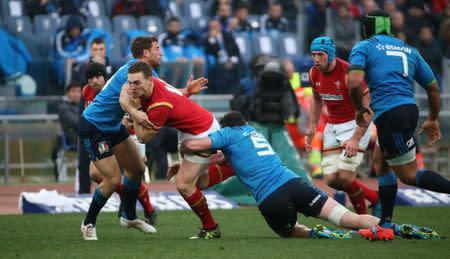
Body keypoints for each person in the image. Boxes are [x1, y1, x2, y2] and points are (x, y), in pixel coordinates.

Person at [178, 111, 437, 240]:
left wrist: (183, 150)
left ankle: (319, 234)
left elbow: (196, 146)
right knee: (349, 218)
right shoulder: (253, 132)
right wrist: (214, 157)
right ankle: (390, 227)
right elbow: (225, 158)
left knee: (288, 232)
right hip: (295, 184)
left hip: (272, 199)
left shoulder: (228, 134)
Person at [79, 36, 206, 240]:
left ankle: (129, 216)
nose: (161, 52)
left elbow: (169, 95)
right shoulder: (132, 72)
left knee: (137, 169)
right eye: (157, 48)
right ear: (146, 53)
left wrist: (187, 91)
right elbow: (123, 98)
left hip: (112, 126)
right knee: (112, 179)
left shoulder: (149, 75)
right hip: (94, 127)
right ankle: (88, 223)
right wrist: (134, 113)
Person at [347, 9, 450, 240]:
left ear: (366, 29)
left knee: (409, 175)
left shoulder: (364, 47)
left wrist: (358, 107)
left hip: (391, 115)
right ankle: (385, 224)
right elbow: (433, 87)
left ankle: (385, 224)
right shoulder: (409, 49)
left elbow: (354, 82)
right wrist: (433, 118)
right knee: (380, 163)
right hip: (407, 110)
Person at [119, 61, 221, 240]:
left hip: (201, 133)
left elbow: (142, 137)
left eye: (137, 83)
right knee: (200, 184)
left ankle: (211, 228)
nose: (132, 87)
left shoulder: (160, 105)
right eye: (130, 82)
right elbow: (124, 94)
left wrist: (132, 111)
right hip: (190, 130)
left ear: (150, 81)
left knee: (183, 185)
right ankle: (227, 166)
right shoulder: (152, 85)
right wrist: (134, 113)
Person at [305, 36, 380, 216]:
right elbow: (316, 99)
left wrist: (355, 138)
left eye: (320, 55)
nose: (316, 59)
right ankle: (375, 197)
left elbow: (369, 107)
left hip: (355, 125)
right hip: (333, 125)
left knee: (345, 176)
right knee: (331, 180)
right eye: (313, 54)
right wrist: (312, 126)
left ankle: (362, 219)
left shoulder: (348, 73)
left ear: (330, 55)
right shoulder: (313, 73)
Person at [81, 61, 156, 222]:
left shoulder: (120, 87)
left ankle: (146, 209)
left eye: (98, 76)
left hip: (128, 133)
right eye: (90, 78)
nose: (94, 81)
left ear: (105, 77)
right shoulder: (87, 92)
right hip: (101, 134)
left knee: (136, 170)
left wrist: (131, 117)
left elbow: (134, 109)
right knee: (97, 174)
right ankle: (126, 203)